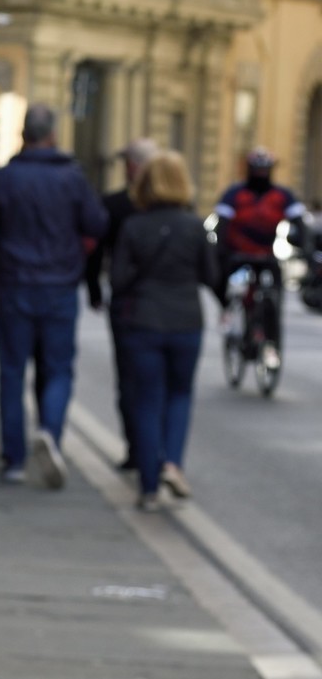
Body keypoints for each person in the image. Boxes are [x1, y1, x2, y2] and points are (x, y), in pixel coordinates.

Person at [0, 103, 106, 488]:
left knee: (12, 371)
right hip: (59, 286)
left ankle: (14, 459)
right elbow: (97, 224)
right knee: (58, 368)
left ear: (23, 135)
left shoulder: (3, 179)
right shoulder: (72, 179)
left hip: (16, 284)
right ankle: (50, 431)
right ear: (51, 135)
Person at [110, 151, 219, 510]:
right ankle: (172, 462)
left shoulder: (134, 227)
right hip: (186, 321)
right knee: (180, 395)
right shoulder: (194, 226)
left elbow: (118, 280)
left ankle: (149, 487)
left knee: (147, 401)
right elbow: (210, 275)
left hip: (144, 320)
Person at [86, 139, 157, 473]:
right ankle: (155, 452)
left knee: (130, 380)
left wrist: (94, 290)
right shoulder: (173, 206)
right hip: (157, 304)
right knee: (156, 383)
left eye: (127, 161)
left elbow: (97, 251)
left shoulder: (116, 205)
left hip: (127, 302)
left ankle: (137, 448)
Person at [213, 145, 308, 309]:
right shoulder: (234, 193)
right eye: (257, 169)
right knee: (219, 279)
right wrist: (219, 250)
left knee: (276, 287)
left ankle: (274, 322)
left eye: (264, 169)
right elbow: (222, 223)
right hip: (237, 252)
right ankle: (226, 310)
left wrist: (305, 245)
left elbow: (299, 222)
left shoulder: (283, 195)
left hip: (267, 253)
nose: (260, 173)